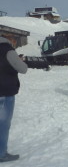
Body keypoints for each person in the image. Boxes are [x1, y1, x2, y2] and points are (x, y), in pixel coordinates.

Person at [0, 35, 28, 163]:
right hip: (4, 93)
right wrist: (19, 60)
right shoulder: (8, 50)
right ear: (10, 40)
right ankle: (1, 154)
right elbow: (23, 69)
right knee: (3, 125)